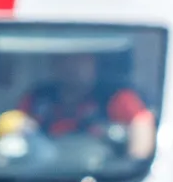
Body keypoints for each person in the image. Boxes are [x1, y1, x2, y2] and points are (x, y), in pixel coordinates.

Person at [21, 50, 155, 151]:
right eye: (63, 60)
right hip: (43, 176)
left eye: (80, 60)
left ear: (94, 63)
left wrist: (133, 170)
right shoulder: (38, 97)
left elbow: (142, 122)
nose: (71, 67)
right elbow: (16, 126)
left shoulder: (116, 96)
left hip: (102, 177)